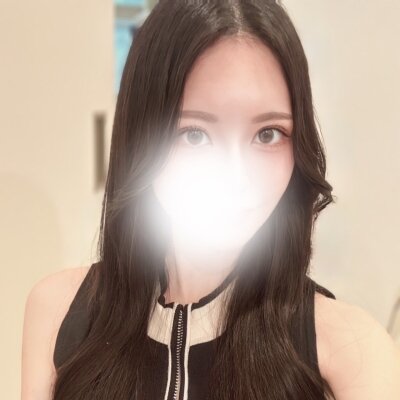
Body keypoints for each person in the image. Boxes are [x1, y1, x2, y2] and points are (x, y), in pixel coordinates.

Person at [21, 1, 400, 399]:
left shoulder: (351, 351)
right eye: (195, 134)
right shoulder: (59, 312)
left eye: (268, 134)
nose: (237, 177)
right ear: (140, 139)